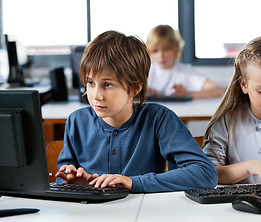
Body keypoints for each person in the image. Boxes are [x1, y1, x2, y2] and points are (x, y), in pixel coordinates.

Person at [55, 30, 218, 193]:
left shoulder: (159, 119)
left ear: (135, 87)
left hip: (146, 213)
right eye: (90, 83)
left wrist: (133, 182)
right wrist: (73, 183)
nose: (96, 96)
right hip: (93, 214)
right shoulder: (76, 121)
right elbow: (61, 178)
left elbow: (205, 174)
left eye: (108, 85)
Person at [202, 36, 261, 186]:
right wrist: (247, 167)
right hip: (238, 207)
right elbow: (207, 173)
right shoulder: (228, 121)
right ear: (244, 85)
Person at [146, 24, 224, 99]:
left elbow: (218, 91)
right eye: (155, 51)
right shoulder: (146, 72)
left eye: (166, 49)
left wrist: (187, 94)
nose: (161, 55)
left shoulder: (186, 72)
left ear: (175, 49)